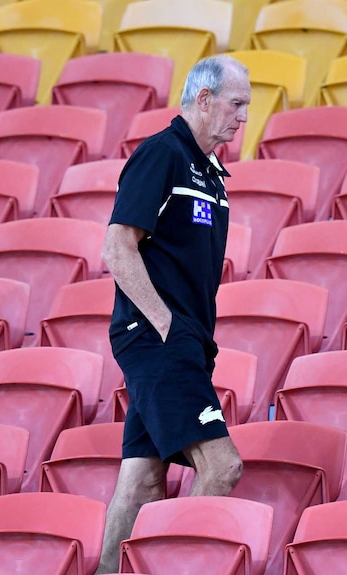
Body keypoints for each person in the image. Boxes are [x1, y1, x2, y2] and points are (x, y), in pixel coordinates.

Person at [96, 55, 251, 573]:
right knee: (222, 466)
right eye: (237, 104)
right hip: (161, 340)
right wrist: (166, 325)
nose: (243, 117)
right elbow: (118, 248)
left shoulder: (212, 174)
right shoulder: (161, 155)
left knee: (140, 481)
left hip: (182, 342)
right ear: (203, 100)